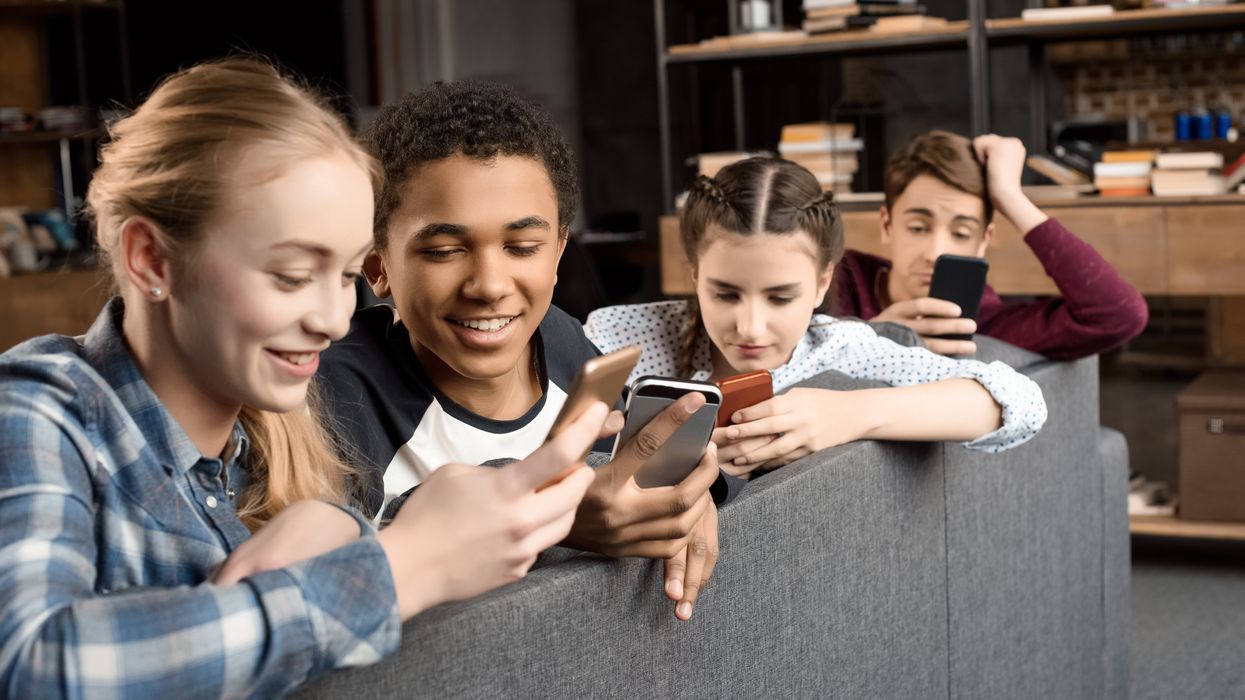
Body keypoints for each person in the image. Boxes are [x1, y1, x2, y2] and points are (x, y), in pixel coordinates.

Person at [0, 58, 604, 698]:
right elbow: (29, 667)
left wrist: (349, 533)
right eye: (291, 276)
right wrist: (398, 569)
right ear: (151, 259)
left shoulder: (271, 443)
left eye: (345, 277)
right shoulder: (37, 412)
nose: (334, 322)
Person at [318, 80, 719, 621]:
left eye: (523, 247)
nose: (489, 284)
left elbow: (648, 470)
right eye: (443, 250)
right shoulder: (335, 395)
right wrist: (553, 516)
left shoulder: (560, 340)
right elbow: (328, 579)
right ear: (377, 265)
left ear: (557, 253)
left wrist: (688, 497)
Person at [585, 157, 1047, 477]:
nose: (750, 327)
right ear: (694, 274)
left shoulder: (841, 349)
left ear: (823, 283)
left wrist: (848, 413)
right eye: (724, 293)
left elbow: (1023, 405)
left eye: (781, 298)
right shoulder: (623, 335)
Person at [828, 131, 1148, 359]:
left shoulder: (988, 326)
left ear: (985, 241)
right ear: (887, 225)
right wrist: (873, 336)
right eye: (918, 227)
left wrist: (1011, 197)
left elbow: (1120, 315)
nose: (935, 253)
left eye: (962, 233)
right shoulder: (837, 279)